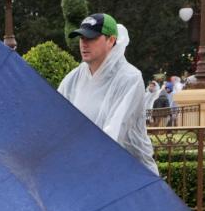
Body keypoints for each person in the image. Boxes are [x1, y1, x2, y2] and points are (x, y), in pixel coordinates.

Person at [58, 13, 159, 174]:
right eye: (81, 38)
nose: (84, 44)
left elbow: (115, 131)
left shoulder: (129, 78)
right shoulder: (73, 79)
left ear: (111, 40)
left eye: (91, 38)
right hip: (85, 171)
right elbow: (56, 118)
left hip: (131, 173)